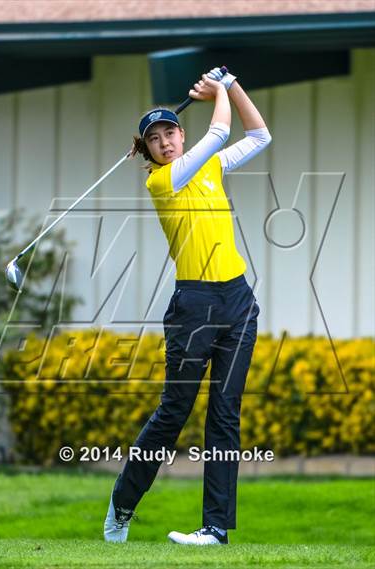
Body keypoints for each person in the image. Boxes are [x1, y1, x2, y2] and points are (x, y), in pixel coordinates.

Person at [104, 67, 272, 545]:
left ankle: (216, 528)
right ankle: (122, 505)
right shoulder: (163, 183)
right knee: (174, 413)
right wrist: (218, 91)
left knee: (224, 413)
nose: (165, 141)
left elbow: (259, 135)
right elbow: (219, 132)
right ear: (148, 151)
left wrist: (234, 85)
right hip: (194, 304)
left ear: (181, 133)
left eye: (170, 132)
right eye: (154, 138)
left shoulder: (211, 168)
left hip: (237, 298)